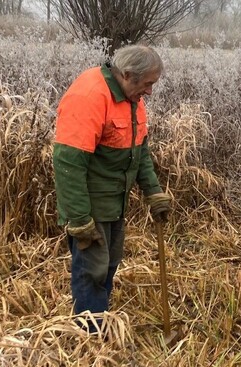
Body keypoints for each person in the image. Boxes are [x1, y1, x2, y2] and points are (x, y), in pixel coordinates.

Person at [53, 44, 172, 333]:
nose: (150, 92)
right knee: (91, 270)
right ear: (128, 74)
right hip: (89, 206)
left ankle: (98, 319)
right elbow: (68, 162)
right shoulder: (90, 95)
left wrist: (153, 191)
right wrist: (80, 220)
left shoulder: (131, 98)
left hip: (115, 202)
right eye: (148, 84)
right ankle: (90, 335)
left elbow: (139, 150)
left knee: (108, 265)